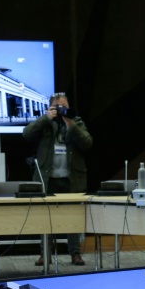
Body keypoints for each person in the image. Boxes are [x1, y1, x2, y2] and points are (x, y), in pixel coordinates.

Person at [23, 92, 93, 266]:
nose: (62, 110)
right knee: (46, 218)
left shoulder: (75, 121)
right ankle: (45, 254)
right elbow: (26, 134)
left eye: (64, 106)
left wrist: (72, 126)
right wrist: (45, 118)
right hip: (48, 178)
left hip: (72, 178)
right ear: (51, 107)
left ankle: (75, 253)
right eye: (58, 107)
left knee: (72, 218)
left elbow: (87, 143)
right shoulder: (46, 122)